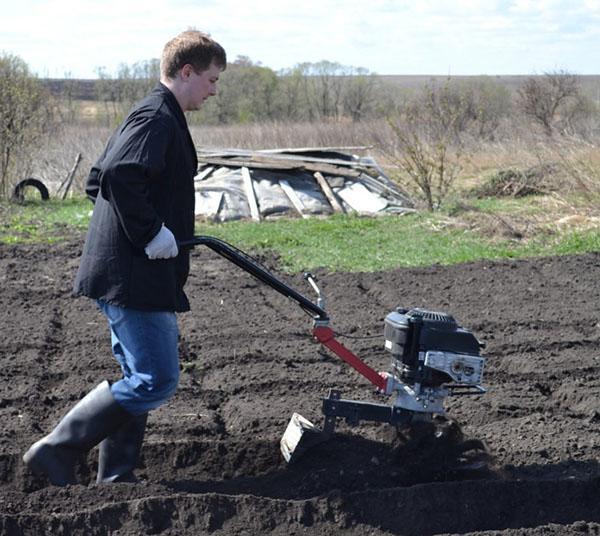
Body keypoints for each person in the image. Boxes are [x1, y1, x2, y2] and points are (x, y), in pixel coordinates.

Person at [23, 30, 226, 486]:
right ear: (187, 71)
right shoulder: (157, 116)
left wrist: (145, 228)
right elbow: (116, 175)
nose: (215, 90)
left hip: (129, 271)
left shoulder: (156, 113)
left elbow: (97, 180)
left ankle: (115, 475)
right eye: (211, 79)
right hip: (133, 277)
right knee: (157, 379)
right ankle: (55, 449)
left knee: (139, 374)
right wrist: (150, 231)